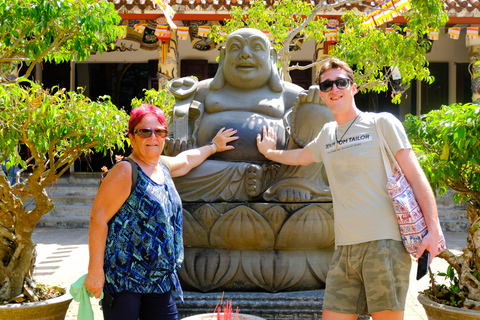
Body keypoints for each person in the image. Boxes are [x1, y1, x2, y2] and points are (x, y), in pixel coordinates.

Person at [256, 58, 441, 320]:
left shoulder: (382, 123)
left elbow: (416, 176)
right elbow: (301, 157)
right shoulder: (327, 134)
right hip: (343, 250)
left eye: (341, 82)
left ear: (353, 87)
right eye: (327, 84)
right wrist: (269, 152)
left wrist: (433, 230)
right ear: (321, 93)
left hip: (384, 245)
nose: (334, 89)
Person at [84, 104, 238, 320]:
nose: (153, 137)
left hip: (159, 280)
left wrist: (213, 146)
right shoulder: (126, 170)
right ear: (132, 136)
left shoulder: (161, 166)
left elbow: (186, 160)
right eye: (145, 131)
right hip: (125, 280)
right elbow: (97, 219)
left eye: (160, 131)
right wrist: (95, 271)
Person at [166, 27, 333, 203]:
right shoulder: (202, 90)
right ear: (223, 56)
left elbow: (315, 127)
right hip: (215, 170)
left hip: (280, 171)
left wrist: (318, 101)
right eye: (236, 47)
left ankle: (296, 183)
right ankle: (248, 178)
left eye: (256, 47)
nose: (245, 54)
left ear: (272, 57)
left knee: (317, 108)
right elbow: (180, 120)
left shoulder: (289, 93)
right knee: (169, 174)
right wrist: (178, 140)